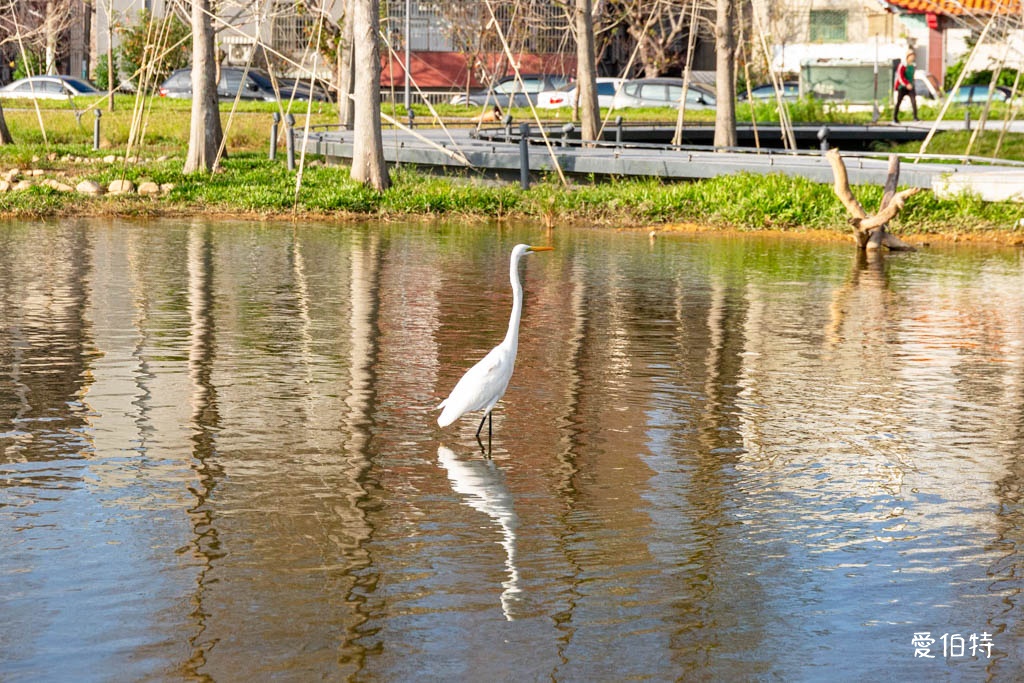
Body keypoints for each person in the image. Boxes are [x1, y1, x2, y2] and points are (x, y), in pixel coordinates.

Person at [893, 51, 919, 123]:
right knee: (899, 101)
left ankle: (915, 117)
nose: (913, 57)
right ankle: (895, 117)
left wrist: (912, 84)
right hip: (902, 87)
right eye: (911, 56)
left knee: (913, 101)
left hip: (911, 86)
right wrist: (906, 84)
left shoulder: (913, 65)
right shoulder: (903, 65)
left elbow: (912, 76)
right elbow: (900, 76)